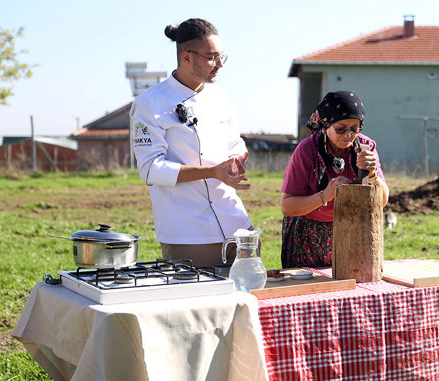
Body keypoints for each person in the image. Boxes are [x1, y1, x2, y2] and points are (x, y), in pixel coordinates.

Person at [130, 18, 253, 268]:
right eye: (211, 57)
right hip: (188, 232)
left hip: (237, 223)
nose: (219, 65)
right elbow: (151, 169)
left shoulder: (221, 96)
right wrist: (210, 172)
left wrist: (238, 157)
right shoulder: (149, 103)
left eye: (222, 57)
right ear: (186, 57)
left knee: (248, 299)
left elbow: (235, 142)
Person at [280, 90, 389, 268]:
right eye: (340, 129)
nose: (348, 135)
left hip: (352, 229)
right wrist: (325, 195)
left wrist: (373, 175)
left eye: (355, 129)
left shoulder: (366, 147)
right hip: (308, 233)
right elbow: (287, 206)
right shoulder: (307, 150)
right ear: (325, 124)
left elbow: (382, 201)